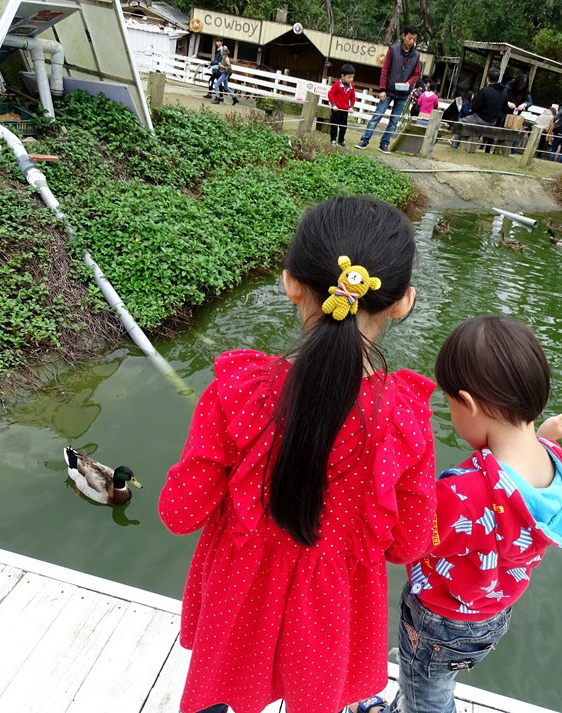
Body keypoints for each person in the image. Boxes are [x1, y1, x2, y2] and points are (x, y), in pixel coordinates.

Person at [160, 196, 437, 713]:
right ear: (402, 302)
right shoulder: (405, 417)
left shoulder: (238, 391)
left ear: (290, 283)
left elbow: (179, 514)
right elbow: (409, 544)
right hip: (332, 611)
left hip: (239, 601)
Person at [358, 315, 562, 713]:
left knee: (424, 691)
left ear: (467, 403)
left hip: (439, 619)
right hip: (491, 613)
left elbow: (405, 544)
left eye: (450, 404)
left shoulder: (461, 494)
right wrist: (546, 435)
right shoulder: (553, 464)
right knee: (432, 678)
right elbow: (515, 486)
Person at [355, 25, 422, 154]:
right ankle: (364, 140)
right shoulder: (393, 50)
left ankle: (384, 143)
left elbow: (416, 74)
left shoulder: (416, 56)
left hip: (403, 93)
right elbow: (385, 70)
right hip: (388, 90)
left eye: (414, 39)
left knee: (394, 120)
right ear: (403, 36)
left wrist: (409, 83)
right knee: (377, 115)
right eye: (409, 38)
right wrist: (382, 89)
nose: (411, 42)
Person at [451, 68, 513, 152]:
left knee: (461, 122)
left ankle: (454, 145)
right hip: (493, 121)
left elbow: (475, 107)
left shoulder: (484, 91)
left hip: (481, 119)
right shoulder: (504, 92)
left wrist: (472, 104)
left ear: (487, 78)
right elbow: (504, 106)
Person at [328, 64, 356, 148]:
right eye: (349, 77)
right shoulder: (337, 84)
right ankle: (333, 140)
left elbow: (353, 96)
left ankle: (341, 140)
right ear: (342, 76)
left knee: (343, 127)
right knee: (334, 125)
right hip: (336, 109)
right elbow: (331, 94)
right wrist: (333, 104)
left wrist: (351, 106)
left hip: (345, 110)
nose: (351, 79)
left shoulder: (352, 86)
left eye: (352, 77)